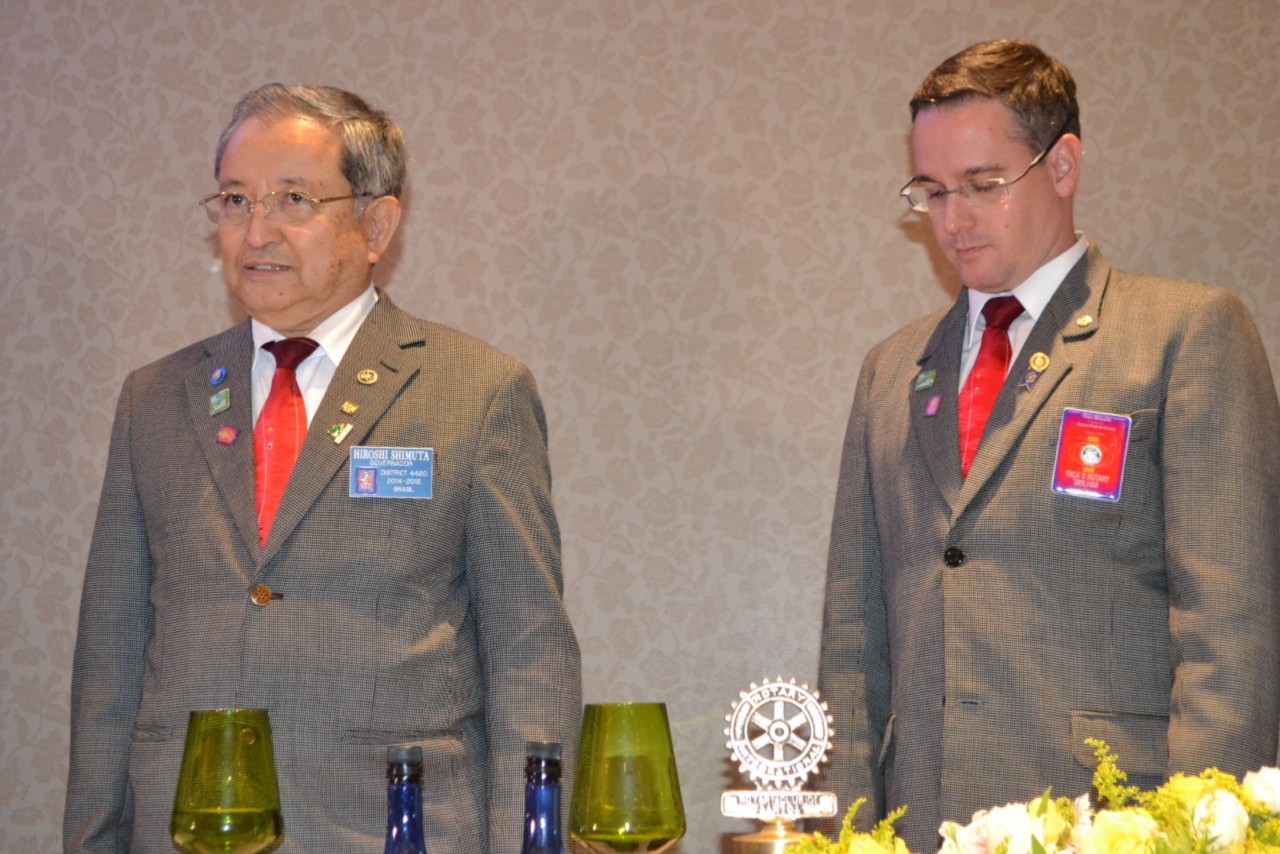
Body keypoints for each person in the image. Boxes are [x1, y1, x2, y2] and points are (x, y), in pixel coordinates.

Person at [63, 84, 582, 854]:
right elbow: (109, 655)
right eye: (235, 200)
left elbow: (529, 654)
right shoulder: (156, 399)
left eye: (294, 200)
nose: (257, 231)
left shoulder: (475, 391)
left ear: (376, 224)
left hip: (392, 828)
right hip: (188, 829)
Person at [816, 40, 1279, 852]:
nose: (952, 220)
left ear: (1062, 166)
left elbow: (1230, 644)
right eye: (932, 191)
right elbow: (853, 652)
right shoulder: (891, 370)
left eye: (982, 184)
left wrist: (1208, 834)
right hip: (917, 826)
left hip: (1116, 825)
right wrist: (845, 835)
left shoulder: (1183, 334)